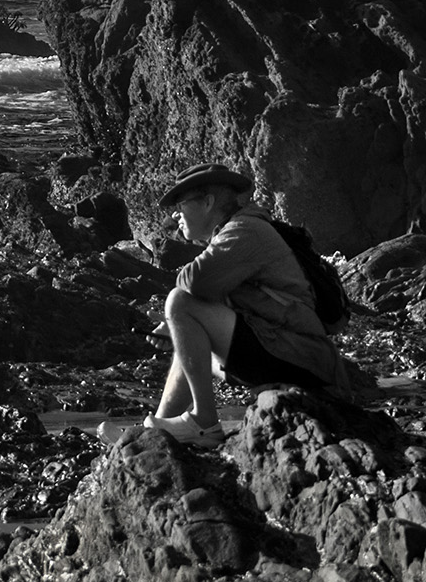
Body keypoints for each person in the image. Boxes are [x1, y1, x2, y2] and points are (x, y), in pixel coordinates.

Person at [145, 163, 368, 446]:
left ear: (208, 201)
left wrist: (176, 316)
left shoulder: (244, 230)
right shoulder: (237, 230)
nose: (175, 214)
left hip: (299, 355)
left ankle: (204, 422)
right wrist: (176, 329)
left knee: (179, 301)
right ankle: (156, 433)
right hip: (288, 349)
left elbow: (194, 281)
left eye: (181, 204)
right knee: (186, 331)